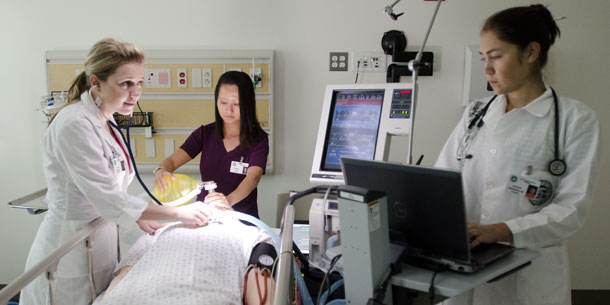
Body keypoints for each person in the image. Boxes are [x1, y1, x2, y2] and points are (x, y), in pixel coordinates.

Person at [21, 38, 212, 305]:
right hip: (68, 255)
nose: (136, 93)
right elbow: (109, 197)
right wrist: (179, 213)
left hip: (98, 242)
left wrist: (135, 218)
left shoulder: (106, 120)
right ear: (96, 82)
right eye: (125, 84)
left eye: (139, 83)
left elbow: (111, 191)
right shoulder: (74, 124)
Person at [436, 5, 600, 305]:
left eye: (496, 57)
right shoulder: (476, 113)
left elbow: (572, 208)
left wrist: (505, 230)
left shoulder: (576, 119)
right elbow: (442, 181)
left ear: (531, 52)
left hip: (531, 275)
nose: (487, 69)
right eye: (483, 58)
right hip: (464, 269)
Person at [154, 71, 269, 218]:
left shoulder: (258, 140)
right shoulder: (205, 134)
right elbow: (171, 161)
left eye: (236, 104)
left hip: (242, 219)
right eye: (223, 102)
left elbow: (253, 178)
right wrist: (161, 170)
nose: (229, 109)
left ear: (248, 104)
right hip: (204, 217)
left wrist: (228, 201)